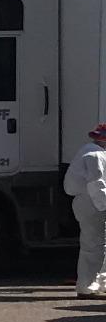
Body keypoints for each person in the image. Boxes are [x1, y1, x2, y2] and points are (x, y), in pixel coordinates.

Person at [64, 123, 106, 299]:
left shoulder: (89, 151)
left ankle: (97, 284)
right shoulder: (95, 155)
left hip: (88, 202)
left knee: (97, 245)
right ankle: (87, 287)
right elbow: (97, 185)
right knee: (94, 246)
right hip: (93, 204)